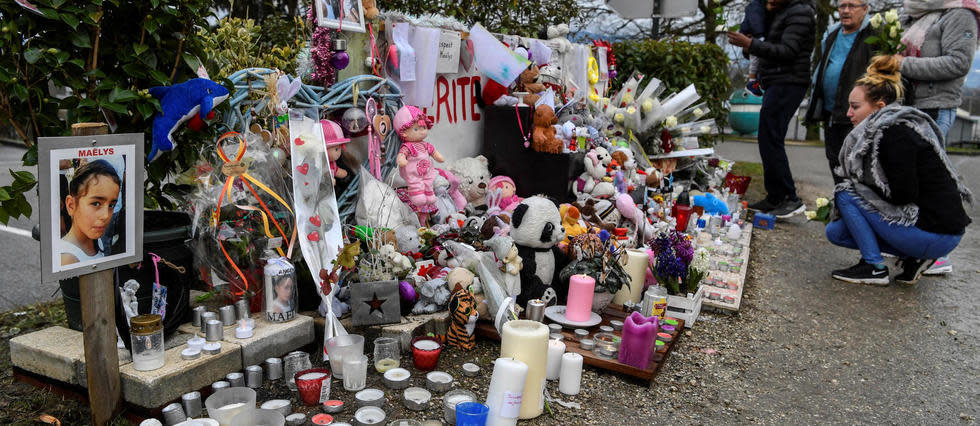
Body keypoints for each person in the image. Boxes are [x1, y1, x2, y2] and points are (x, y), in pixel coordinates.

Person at [825, 56, 971, 285]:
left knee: (846, 192)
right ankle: (914, 258)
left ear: (879, 107)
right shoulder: (900, 125)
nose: (848, 114)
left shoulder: (891, 134)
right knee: (837, 232)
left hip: (936, 234)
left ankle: (874, 268)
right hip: (942, 231)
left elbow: (903, 195)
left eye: (855, 107)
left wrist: (863, 192)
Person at [897, 0, 980, 275]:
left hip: (937, 106)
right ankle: (918, 245)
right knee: (915, 177)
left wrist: (904, 64)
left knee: (933, 179)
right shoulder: (921, 14)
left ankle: (939, 254)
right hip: (911, 104)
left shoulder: (960, 14)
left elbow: (959, 63)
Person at [727, 0, 815, 218]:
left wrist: (750, 44)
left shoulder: (800, 12)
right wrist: (751, 45)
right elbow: (764, 49)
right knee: (767, 137)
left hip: (789, 81)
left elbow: (787, 51)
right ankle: (775, 196)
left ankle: (789, 197)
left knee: (771, 136)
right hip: (777, 80)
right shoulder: (780, 12)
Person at [804, 0, 874, 185]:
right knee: (835, 161)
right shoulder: (832, 34)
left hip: (856, 114)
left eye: (852, 6)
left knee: (854, 165)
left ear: (865, 9)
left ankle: (855, 207)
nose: (846, 10)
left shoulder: (872, 36)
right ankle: (841, 203)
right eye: (842, 6)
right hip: (831, 111)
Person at [60, 159, 121, 266]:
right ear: (71, 205)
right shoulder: (68, 259)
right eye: (96, 203)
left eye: (111, 205)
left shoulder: (96, 241)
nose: (106, 216)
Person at [739, 0, 768, 96]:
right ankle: (752, 81)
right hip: (753, 35)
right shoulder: (756, 6)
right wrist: (761, 36)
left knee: (755, 58)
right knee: (755, 58)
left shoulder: (757, 6)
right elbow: (756, 22)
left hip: (753, 35)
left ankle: (754, 81)